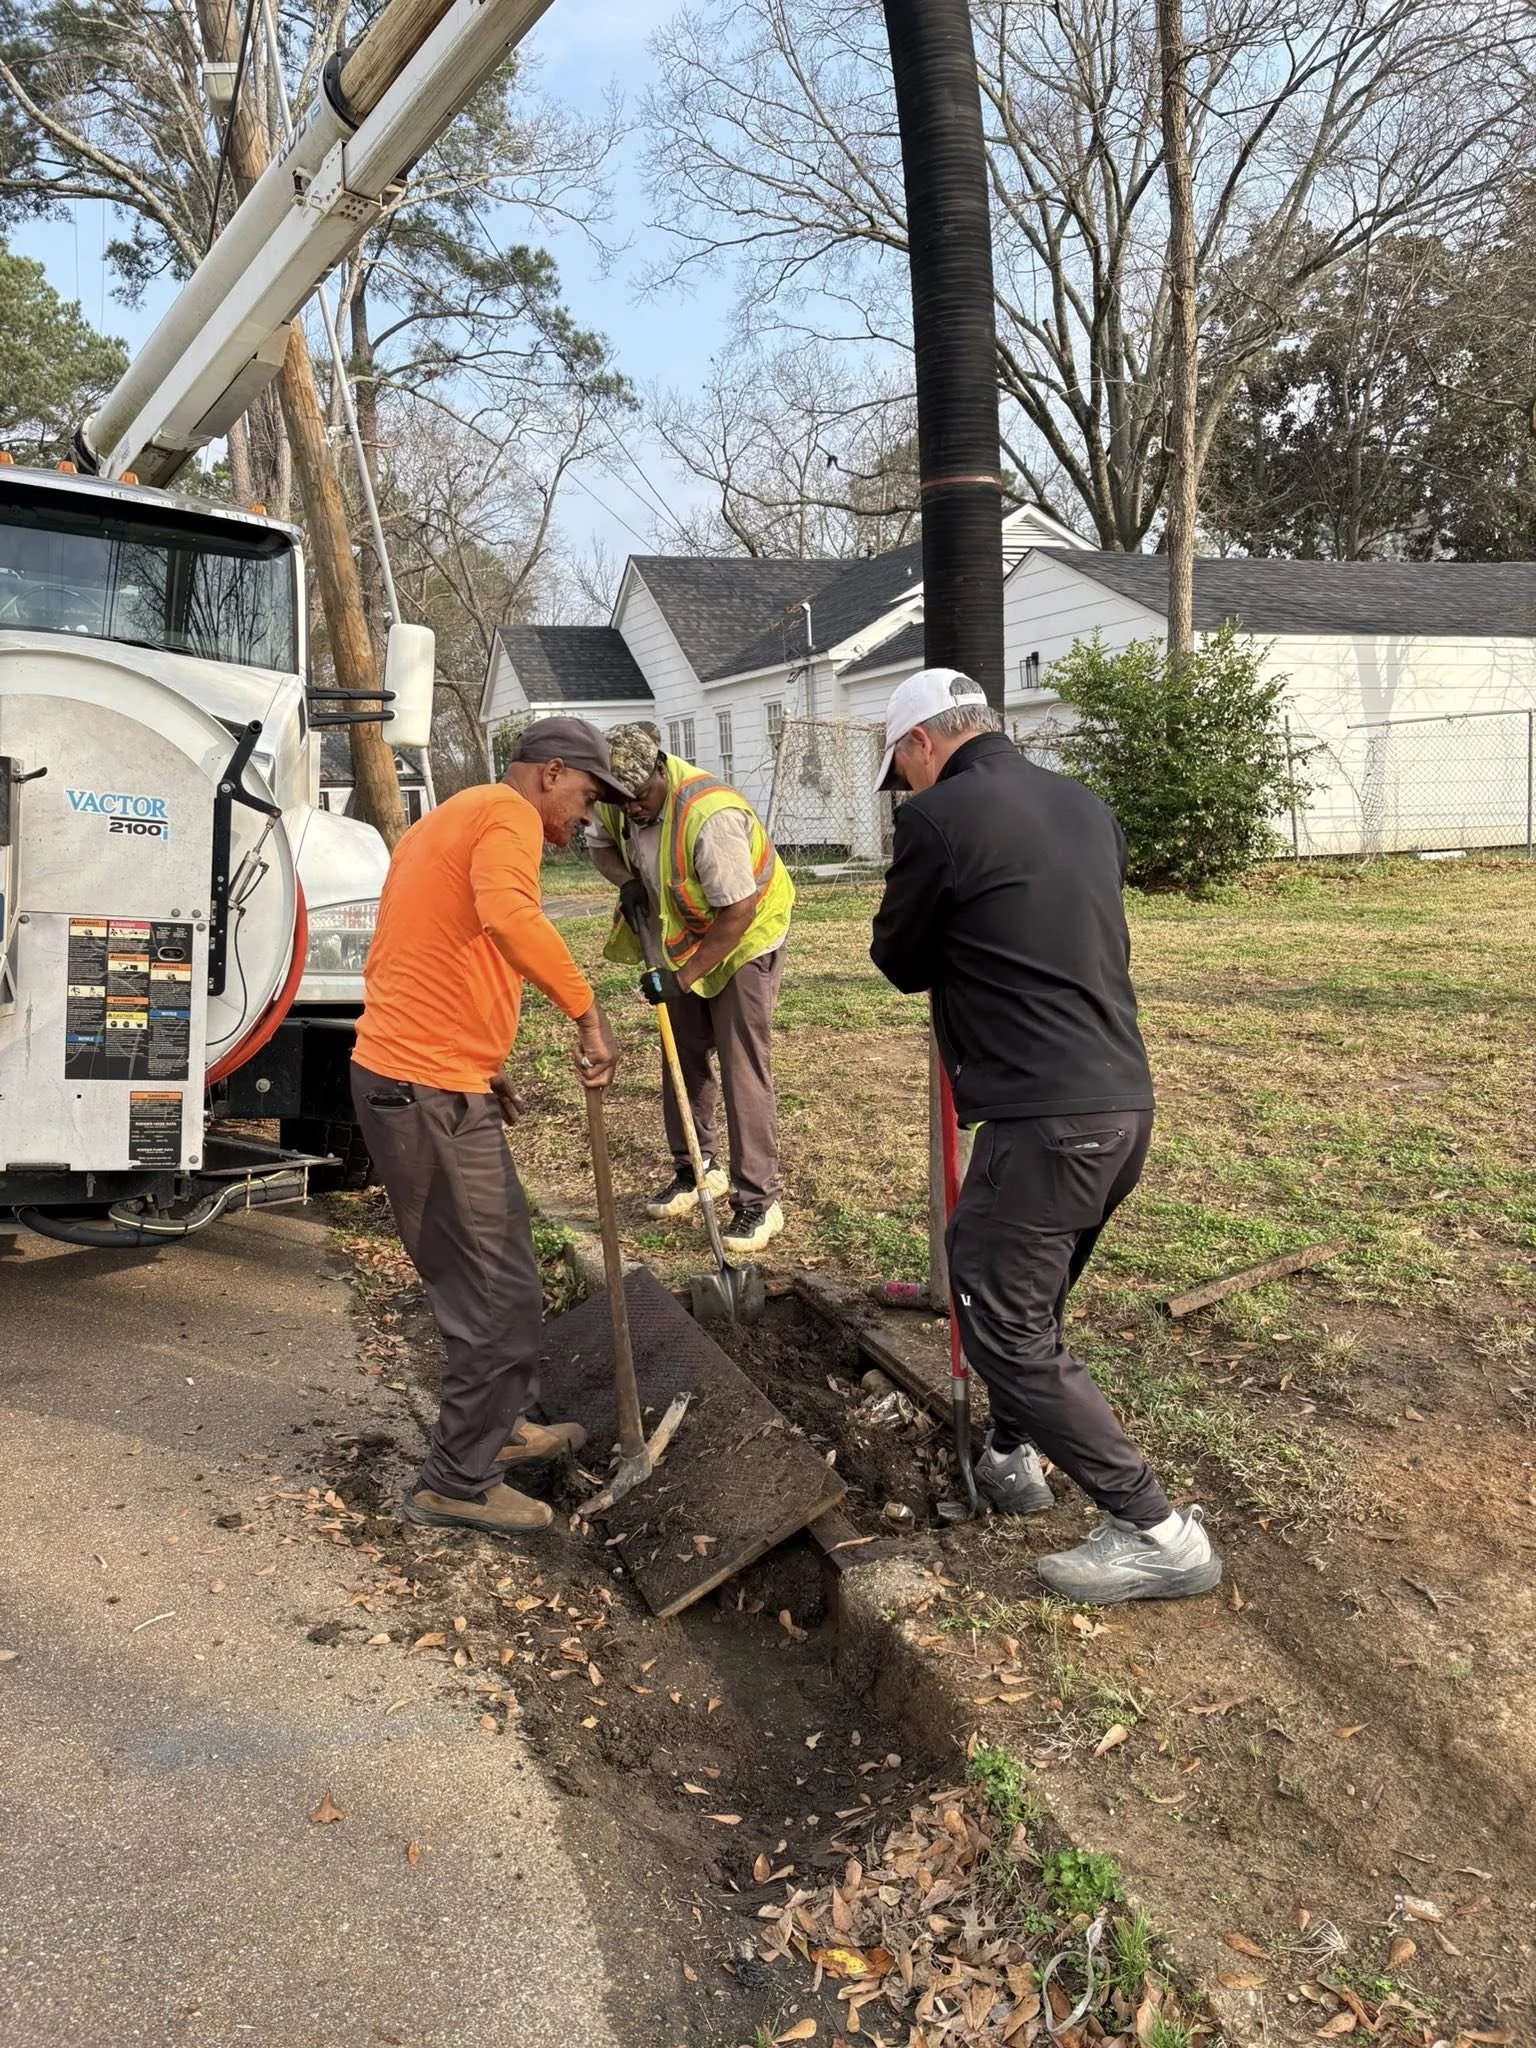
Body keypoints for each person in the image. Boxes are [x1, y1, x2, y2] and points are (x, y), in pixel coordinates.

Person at [868, 670, 1222, 1605]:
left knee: (999, 1315)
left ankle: (1155, 1530)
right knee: (1035, 1297)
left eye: (901, 771)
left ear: (919, 747)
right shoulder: (1083, 806)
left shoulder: (937, 820)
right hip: (1121, 1102)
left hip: (1043, 1119)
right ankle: (1009, 1455)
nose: (906, 788)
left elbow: (898, 958)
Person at [351, 717, 625, 1538]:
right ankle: (456, 1483)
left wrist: (479, 1052)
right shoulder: (505, 816)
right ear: (549, 773)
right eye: (585, 797)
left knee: (496, 1273)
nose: (587, 818)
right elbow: (507, 917)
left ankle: (501, 1430)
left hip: (431, 1075)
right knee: (494, 1292)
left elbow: (419, 945)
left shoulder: (454, 814)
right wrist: (585, 1011)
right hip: (424, 1089)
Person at [586, 724, 794, 1254]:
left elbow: (738, 912)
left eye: (640, 797)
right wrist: (626, 880)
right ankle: (697, 1169)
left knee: (741, 1063)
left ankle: (758, 1202)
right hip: (683, 937)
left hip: (745, 938)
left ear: (661, 769)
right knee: (682, 1053)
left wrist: (681, 978)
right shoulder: (617, 799)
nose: (631, 809)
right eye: (621, 799)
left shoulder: (709, 814)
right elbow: (602, 847)